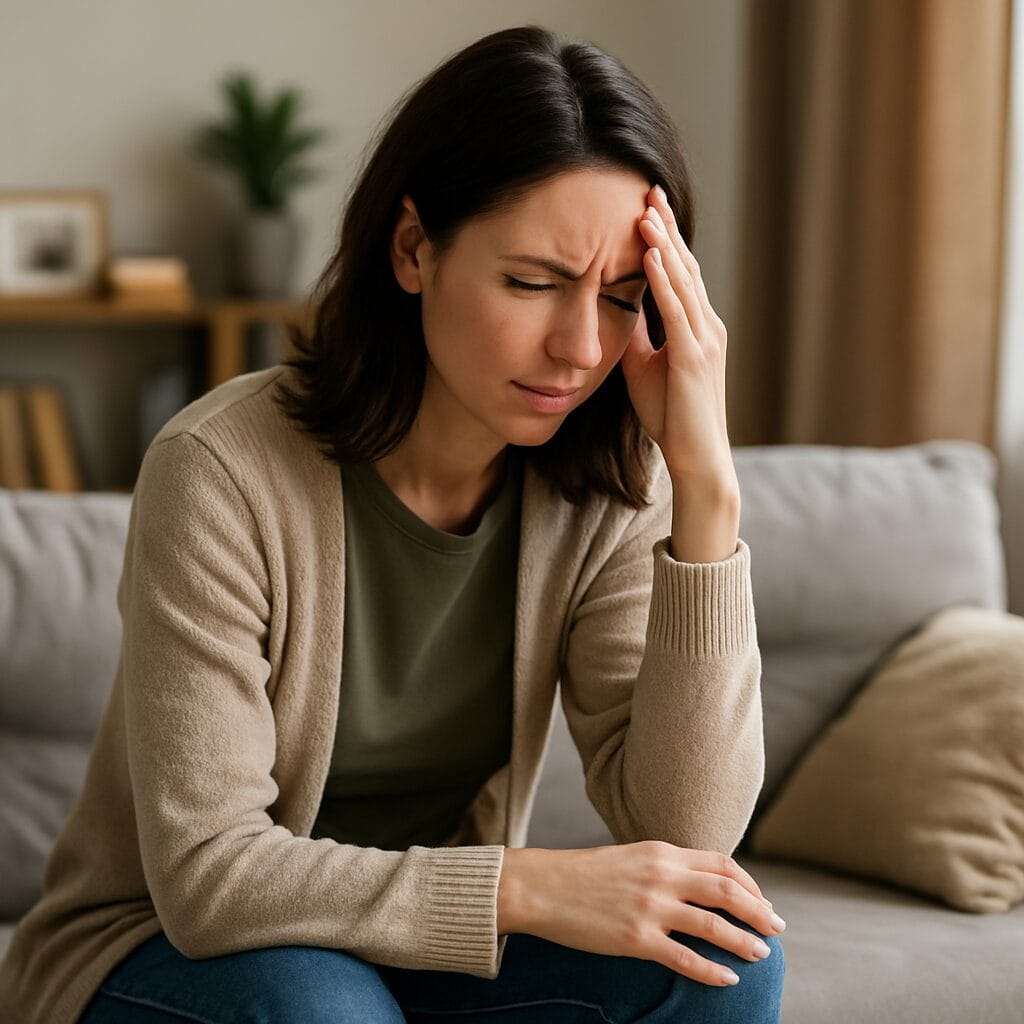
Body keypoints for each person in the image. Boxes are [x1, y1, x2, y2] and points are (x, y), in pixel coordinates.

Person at [0, 23, 785, 1024]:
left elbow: (688, 835)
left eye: (624, 298)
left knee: (722, 960)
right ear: (413, 249)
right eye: (532, 282)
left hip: (425, 949)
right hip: (171, 945)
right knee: (322, 1008)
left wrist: (705, 491)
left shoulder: (616, 481)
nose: (579, 347)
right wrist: (527, 885)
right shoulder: (220, 471)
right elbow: (208, 875)